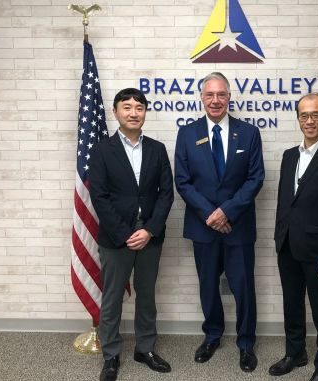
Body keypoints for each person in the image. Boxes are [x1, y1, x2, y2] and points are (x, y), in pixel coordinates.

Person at [174, 72, 265, 372]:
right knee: (208, 286)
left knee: (243, 287)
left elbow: (255, 178)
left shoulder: (249, 134)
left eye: (221, 94)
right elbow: (183, 182)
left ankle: (246, 343)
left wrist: (226, 212)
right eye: (210, 95)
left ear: (229, 97)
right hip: (203, 227)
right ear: (201, 98)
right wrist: (211, 216)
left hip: (238, 226)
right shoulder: (187, 134)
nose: (215, 100)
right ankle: (212, 335)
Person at [89, 88, 174, 381]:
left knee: (147, 295)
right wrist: (128, 234)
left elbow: (166, 195)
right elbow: (98, 196)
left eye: (139, 107)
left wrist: (149, 230)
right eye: (127, 107)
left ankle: (145, 348)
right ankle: (111, 354)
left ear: (145, 112)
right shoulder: (102, 150)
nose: (133, 113)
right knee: (112, 298)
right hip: (116, 239)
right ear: (116, 112)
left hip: (150, 237)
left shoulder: (157, 149)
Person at [270, 93, 318, 381]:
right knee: (291, 304)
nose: (310, 120)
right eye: (304, 115)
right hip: (288, 245)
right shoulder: (289, 156)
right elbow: (284, 201)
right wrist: (280, 235)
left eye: (316, 114)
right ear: (298, 119)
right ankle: (295, 353)